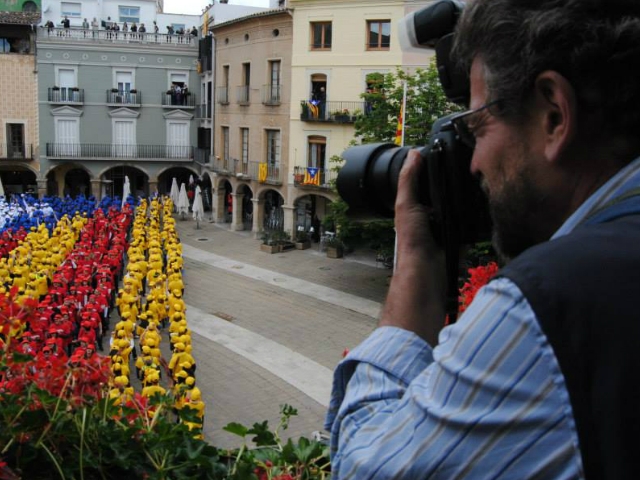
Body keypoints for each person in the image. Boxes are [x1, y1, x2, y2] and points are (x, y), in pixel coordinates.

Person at [326, 0, 640, 478]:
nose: (473, 165)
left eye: (477, 127)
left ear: (554, 114)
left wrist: (414, 261)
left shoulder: (547, 306)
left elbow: (367, 469)